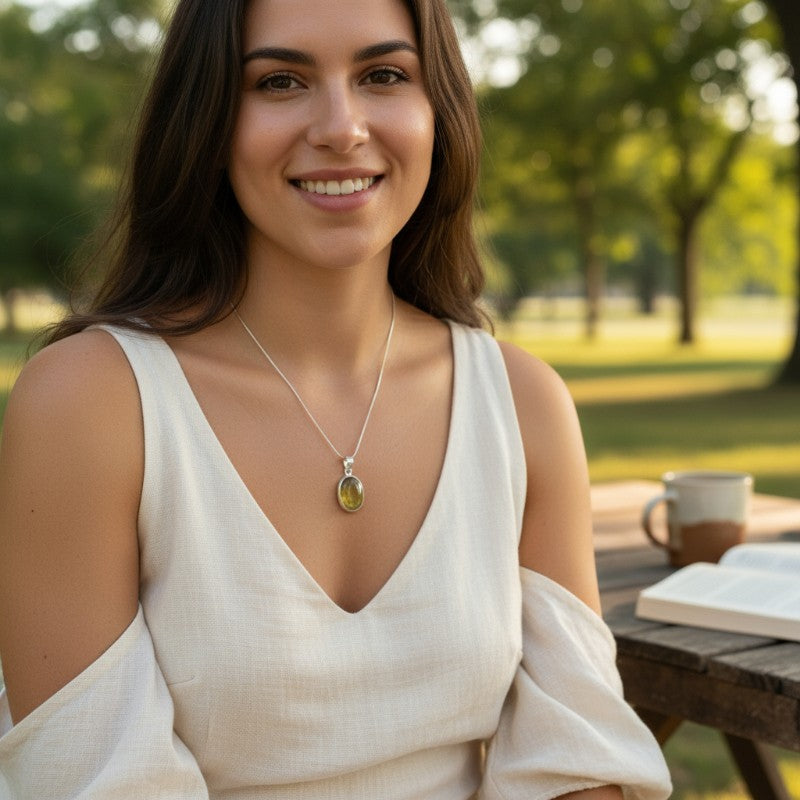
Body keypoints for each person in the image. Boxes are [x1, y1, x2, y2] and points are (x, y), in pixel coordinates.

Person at [0, 0, 672, 797]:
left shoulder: (523, 403)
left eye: (384, 74)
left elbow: (578, 761)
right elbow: (90, 777)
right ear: (207, 119)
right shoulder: (89, 404)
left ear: (438, 112)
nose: (342, 126)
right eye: (280, 81)